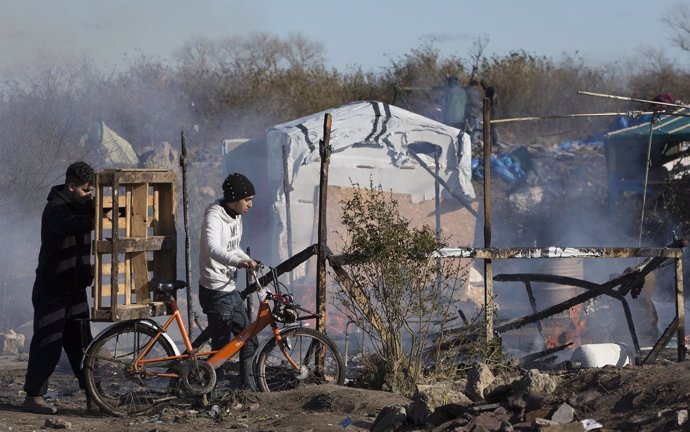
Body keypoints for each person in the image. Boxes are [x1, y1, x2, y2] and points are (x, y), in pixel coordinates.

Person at [22, 161, 110, 414]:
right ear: (71, 186)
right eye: (85, 190)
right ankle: (33, 395)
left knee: (83, 345)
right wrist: (98, 217)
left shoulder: (80, 205)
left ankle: (94, 395)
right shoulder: (56, 209)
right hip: (52, 289)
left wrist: (117, 210)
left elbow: (94, 210)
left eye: (92, 190)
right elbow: (71, 223)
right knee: (48, 341)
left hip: (74, 288)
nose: (90, 194)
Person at [198, 173, 258, 392]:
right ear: (235, 198)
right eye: (247, 199)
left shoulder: (236, 215)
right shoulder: (213, 217)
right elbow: (213, 248)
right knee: (221, 350)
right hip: (215, 290)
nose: (250, 204)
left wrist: (247, 259)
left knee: (249, 340)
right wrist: (239, 261)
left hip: (230, 290)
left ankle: (247, 390)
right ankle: (207, 394)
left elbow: (233, 248)